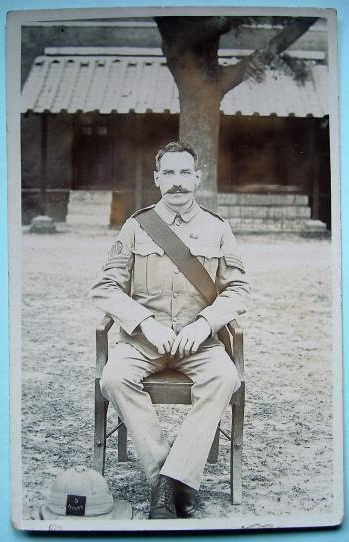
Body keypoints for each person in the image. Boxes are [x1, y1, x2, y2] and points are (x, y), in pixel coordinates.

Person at [89, 141, 249, 519]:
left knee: (225, 376)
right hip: (143, 341)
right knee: (113, 377)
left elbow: (238, 289)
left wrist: (207, 322)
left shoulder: (218, 229)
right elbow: (105, 287)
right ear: (157, 179)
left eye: (185, 173)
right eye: (169, 174)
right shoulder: (136, 226)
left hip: (199, 340)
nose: (177, 183)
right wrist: (143, 322)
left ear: (197, 177)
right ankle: (170, 476)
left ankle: (169, 482)